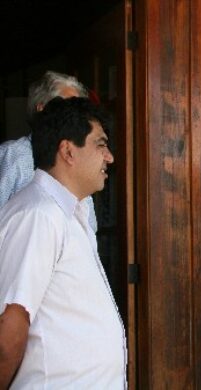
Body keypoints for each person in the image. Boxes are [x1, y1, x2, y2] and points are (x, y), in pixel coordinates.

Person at [0, 97, 126, 388]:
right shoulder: (38, 216)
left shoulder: (71, 214)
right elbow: (10, 328)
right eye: (101, 144)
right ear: (68, 151)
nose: (110, 157)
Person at [0, 70, 97, 232]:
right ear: (42, 109)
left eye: (79, 113)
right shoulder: (15, 156)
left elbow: (88, 229)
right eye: (67, 108)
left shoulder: (78, 161)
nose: (75, 119)